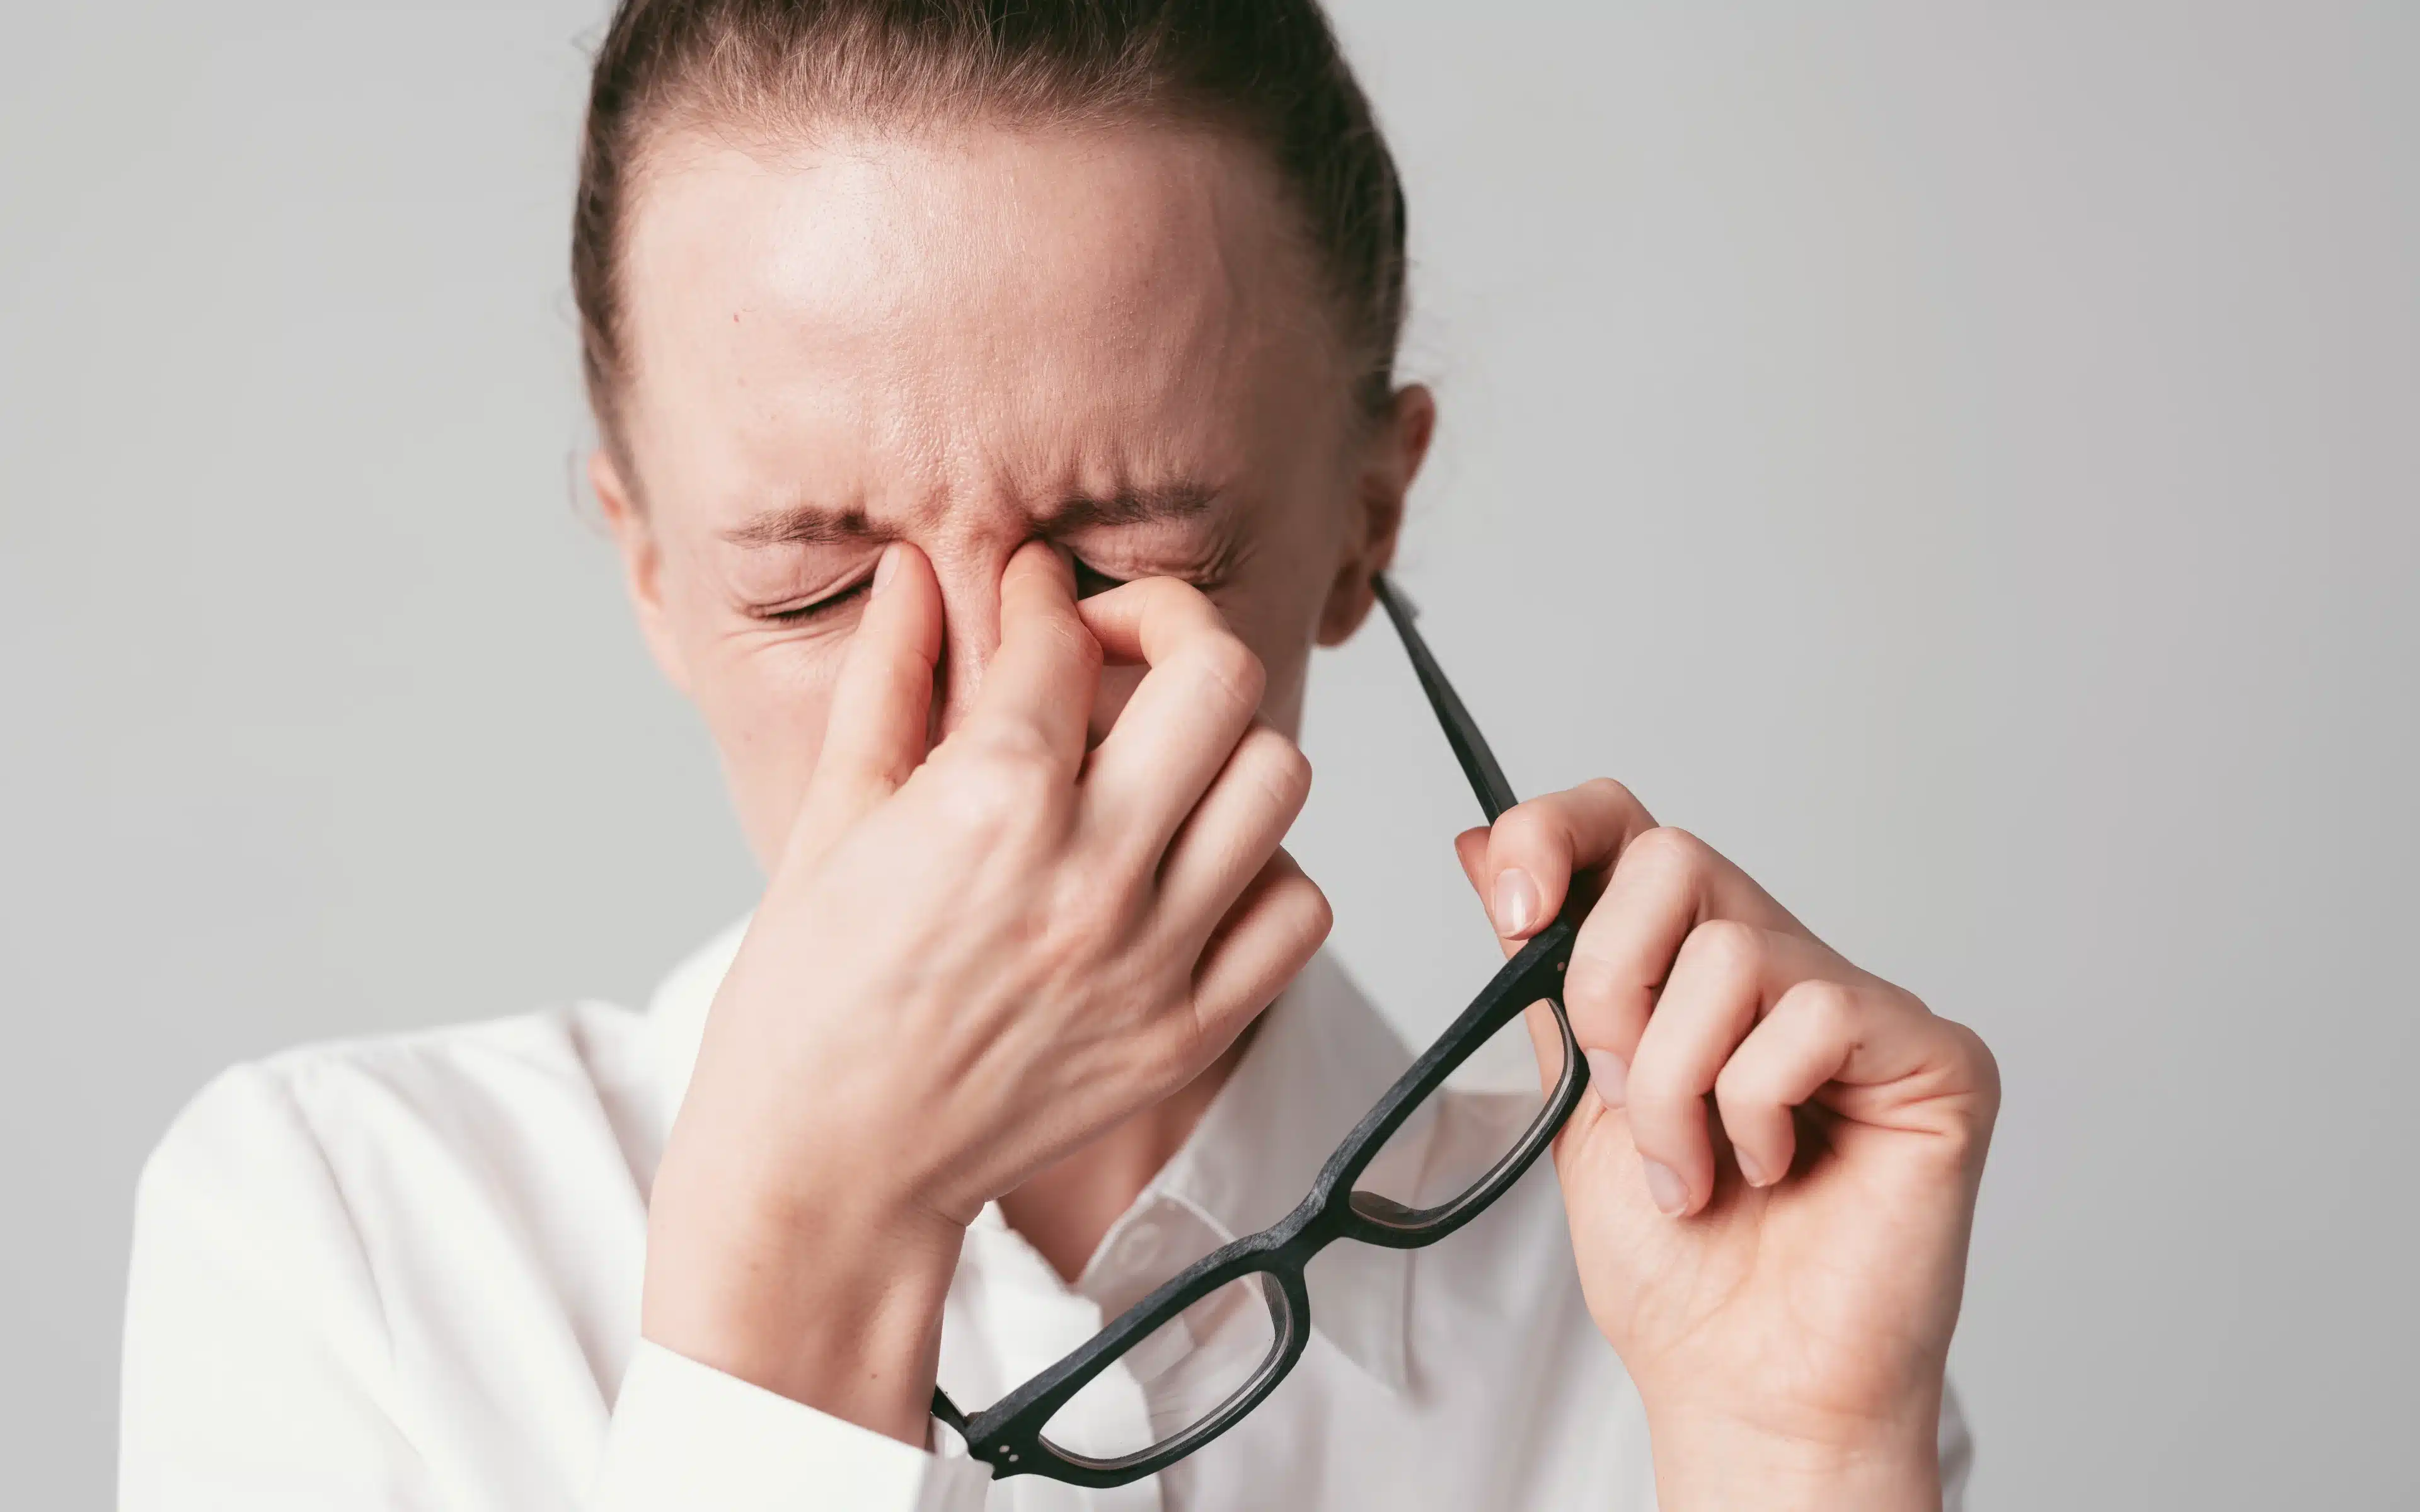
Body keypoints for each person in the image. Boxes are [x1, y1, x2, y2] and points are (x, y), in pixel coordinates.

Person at [118, 3, 2000, 1508]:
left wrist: (1796, 1465)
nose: (981, 714)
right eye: (814, 587)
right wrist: (803, 1254)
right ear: (649, 571)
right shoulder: (348, 1240)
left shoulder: (1680, 1295)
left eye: (1126, 563)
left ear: (1368, 513)